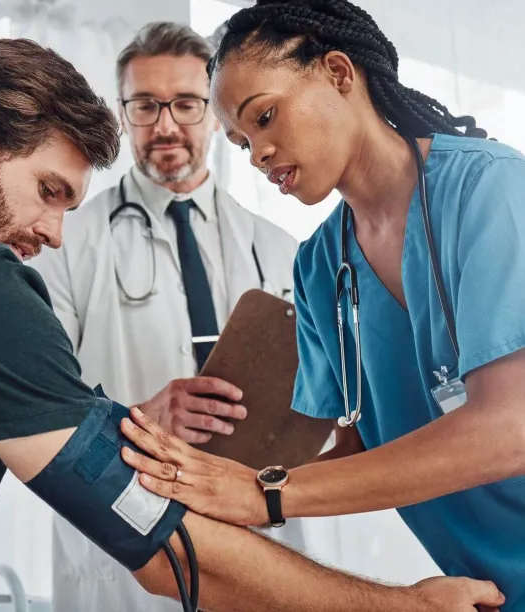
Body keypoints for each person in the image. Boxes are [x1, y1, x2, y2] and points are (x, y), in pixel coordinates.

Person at [0, 35, 502, 612]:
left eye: (260, 119)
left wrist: (264, 490)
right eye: (48, 190)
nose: (54, 234)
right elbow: (158, 542)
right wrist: (400, 605)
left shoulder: (309, 243)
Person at [118, 1, 525, 611]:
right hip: (484, 591)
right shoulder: (318, 267)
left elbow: (509, 430)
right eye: (242, 139)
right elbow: (355, 448)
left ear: (338, 72)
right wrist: (198, 488)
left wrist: (265, 493)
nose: (257, 154)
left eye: (266, 115)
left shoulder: (491, 190)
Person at [30, 21, 309, 612]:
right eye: (144, 105)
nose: (165, 125)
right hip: (121, 536)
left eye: (185, 103)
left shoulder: (280, 247)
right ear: (123, 112)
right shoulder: (64, 241)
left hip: (256, 530)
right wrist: (138, 417)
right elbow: (36, 397)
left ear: (214, 112)